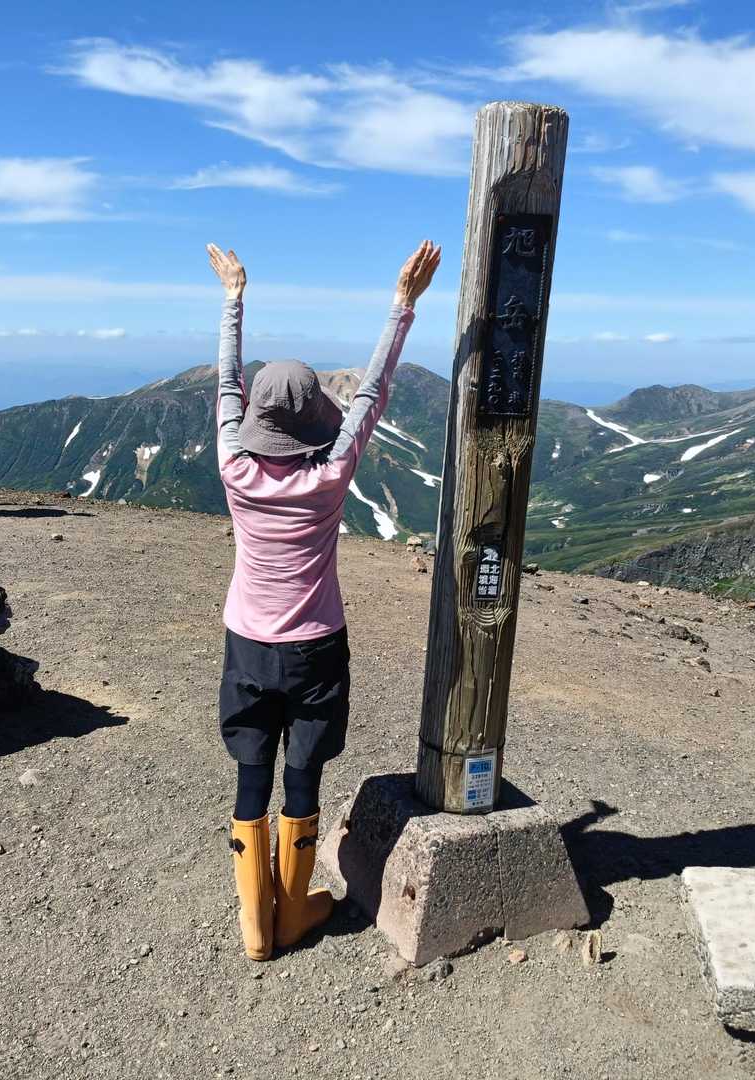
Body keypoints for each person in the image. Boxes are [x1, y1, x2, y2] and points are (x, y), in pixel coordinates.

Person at [207, 239, 441, 960]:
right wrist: (403, 306)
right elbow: (371, 395)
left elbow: (227, 383)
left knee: (252, 769)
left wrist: (234, 298)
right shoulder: (330, 475)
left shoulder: (233, 465)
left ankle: (256, 925)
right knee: (303, 770)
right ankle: (294, 908)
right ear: (309, 416)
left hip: (247, 644)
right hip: (314, 645)